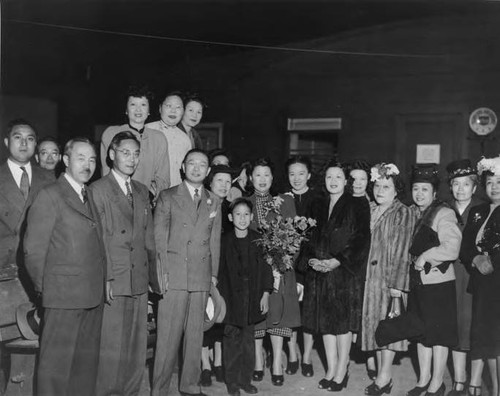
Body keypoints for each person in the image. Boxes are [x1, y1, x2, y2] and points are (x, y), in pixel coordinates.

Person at [24, 138, 106, 396]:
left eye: (92, 159)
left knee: (85, 369)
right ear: (66, 160)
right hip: (62, 298)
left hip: (92, 296)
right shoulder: (49, 195)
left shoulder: (88, 193)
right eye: (81, 158)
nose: (88, 165)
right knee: (55, 372)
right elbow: (33, 251)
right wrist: (48, 291)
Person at [151, 148, 222, 396]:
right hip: (175, 275)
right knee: (168, 337)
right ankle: (158, 389)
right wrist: (162, 274)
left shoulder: (215, 200)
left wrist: (212, 275)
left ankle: (190, 386)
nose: (196, 168)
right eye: (192, 163)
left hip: (200, 276)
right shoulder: (168, 196)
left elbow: (214, 242)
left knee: (195, 337)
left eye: (202, 164)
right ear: (183, 166)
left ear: (209, 170)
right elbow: (159, 239)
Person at [91, 131, 155, 396]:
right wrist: (104, 277)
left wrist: (153, 279)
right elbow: (97, 241)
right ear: (112, 154)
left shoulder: (141, 190)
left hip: (139, 278)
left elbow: (149, 239)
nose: (132, 159)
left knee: (136, 345)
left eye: (136, 153)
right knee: (111, 347)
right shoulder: (98, 190)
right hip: (114, 279)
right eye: (126, 153)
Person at [300, 159, 370, 392]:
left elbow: (361, 239)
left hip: (343, 273)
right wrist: (310, 259)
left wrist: (337, 260)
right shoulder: (316, 205)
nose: (333, 181)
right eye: (329, 177)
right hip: (319, 272)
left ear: (346, 181)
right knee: (325, 324)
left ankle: (342, 369)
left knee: (341, 325)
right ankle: (331, 369)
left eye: (338, 177)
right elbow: (306, 236)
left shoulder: (357, 204)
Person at [361, 163, 416, 395]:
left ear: (396, 190)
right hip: (369, 281)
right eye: (378, 186)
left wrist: (398, 285)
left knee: (390, 329)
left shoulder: (402, 212)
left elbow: (403, 251)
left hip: (388, 280)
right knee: (375, 328)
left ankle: (385, 378)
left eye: (386, 186)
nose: (380, 190)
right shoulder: (371, 208)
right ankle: (380, 371)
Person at [406, 164, 461, 396]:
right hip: (418, 284)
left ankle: (437, 383)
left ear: (435, 193)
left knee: (437, 336)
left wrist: (426, 257)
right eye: (416, 189)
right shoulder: (413, 212)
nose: (419, 194)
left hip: (438, 284)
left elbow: (452, 248)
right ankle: (423, 379)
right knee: (421, 334)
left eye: (424, 190)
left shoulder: (443, 212)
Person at [247, 157, 301, 387]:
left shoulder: (284, 202)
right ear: (251, 178)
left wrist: (282, 262)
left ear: (273, 178)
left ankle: (277, 362)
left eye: (266, 175)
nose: (262, 179)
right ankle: (258, 361)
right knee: (258, 315)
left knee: (278, 314)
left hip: (280, 268)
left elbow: (295, 237)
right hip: (255, 270)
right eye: (257, 175)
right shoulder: (243, 202)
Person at [0, 119, 54, 334]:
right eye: (17, 137)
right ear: (6, 142)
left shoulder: (48, 178)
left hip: (41, 272)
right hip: (5, 271)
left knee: (38, 338)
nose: (24, 143)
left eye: (30, 139)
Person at [218, 198, 273, 396]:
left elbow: (267, 270)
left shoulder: (258, 240)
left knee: (249, 344)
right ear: (231, 217)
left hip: (252, 299)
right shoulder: (224, 241)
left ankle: (245, 380)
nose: (242, 218)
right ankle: (232, 382)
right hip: (230, 299)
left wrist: (266, 294)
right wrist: (220, 300)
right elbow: (219, 272)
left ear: (251, 217)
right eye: (238, 214)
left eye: (246, 214)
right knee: (232, 343)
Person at [446, 159, 487, 396]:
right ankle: (459, 380)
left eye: (466, 184)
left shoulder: (484, 209)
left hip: (475, 276)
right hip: (451, 275)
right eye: (456, 184)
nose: (460, 189)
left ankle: (476, 381)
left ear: (474, 187)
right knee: (456, 325)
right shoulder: (444, 209)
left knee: (475, 326)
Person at [460, 156, 500, 396]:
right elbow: (465, 245)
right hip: (482, 283)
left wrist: (491, 261)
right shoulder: (478, 210)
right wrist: (475, 258)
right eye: (490, 182)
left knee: (497, 340)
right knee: (483, 336)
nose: (495, 186)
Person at [200, 164, 236, 387]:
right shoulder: (203, 205)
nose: (224, 185)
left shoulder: (231, 207)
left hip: (226, 271)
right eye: (219, 180)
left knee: (223, 316)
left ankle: (219, 362)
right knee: (205, 317)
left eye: (228, 181)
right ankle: (205, 364)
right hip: (206, 269)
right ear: (209, 182)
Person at [100, 85, 170, 199]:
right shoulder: (110, 133)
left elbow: (163, 177)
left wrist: (151, 195)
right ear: (126, 110)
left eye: (143, 105)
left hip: (148, 200)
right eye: (133, 104)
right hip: (116, 198)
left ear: (149, 111)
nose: (138, 109)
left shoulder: (159, 138)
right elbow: (106, 172)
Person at [285, 155, 317, 377]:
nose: (296, 178)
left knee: (307, 313)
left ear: (309, 175)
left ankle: (306, 356)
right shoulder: (281, 198)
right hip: (287, 264)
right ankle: (292, 354)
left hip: (311, 264)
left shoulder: (318, 199)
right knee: (289, 312)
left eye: (301, 173)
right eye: (292, 174)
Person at [147, 91, 191, 187]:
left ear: (183, 111)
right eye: (168, 106)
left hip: (176, 192)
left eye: (178, 107)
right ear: (160, 108)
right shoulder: (147, 130)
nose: (173, 111)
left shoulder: (185, 139)